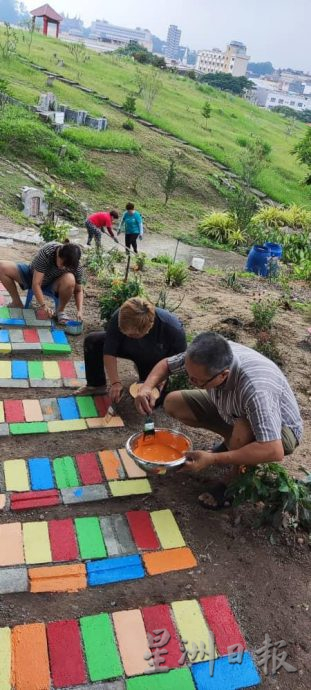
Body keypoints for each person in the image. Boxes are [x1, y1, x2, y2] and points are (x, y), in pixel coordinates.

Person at [135, 332, 303, 509]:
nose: (191, 382)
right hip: (234, 409)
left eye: (198, 381)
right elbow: (166, 365)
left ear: (223, 375)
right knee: (173, 402)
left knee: (242, 426)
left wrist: (213, 459)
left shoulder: (256, 390)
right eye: (189, 374)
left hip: (280, 432)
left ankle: (234, 482)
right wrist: (146, 387)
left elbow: (273, 450)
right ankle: (233, 445)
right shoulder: (206, 354)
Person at [75, 297, 187, 402]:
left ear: (148, 327)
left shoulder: (173, 329)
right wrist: (115, 383)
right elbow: (109, 350)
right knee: (93, 340)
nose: (127, 335)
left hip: (154, 358)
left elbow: (177, 362)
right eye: (123, 331)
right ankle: (96, 385)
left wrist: (162, 378)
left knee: (149, 398)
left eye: (133, 335)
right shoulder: (122, 316)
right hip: (128, 347)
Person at [0, 240, 84, 324]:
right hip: (32, 276)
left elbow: (78, 290)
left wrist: (79, 310)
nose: (63, 268)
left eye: (66, 266)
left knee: (70, 278)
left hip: (53, 284)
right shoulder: (48, 252)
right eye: (62, 263)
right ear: (58, 254)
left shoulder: (75, 264)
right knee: (2, 266)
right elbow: (36, 284)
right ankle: (17, 302)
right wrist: (44, 306)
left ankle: (60, 311)